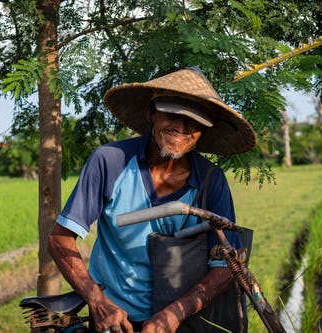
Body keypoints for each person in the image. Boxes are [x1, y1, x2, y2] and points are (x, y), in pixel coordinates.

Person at [48, 67, 256, 333]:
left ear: (202, 132)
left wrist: (176, 312)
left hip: (182, 320)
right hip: (114, 321)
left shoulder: (210, 181)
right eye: (172, 114)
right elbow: (59, 239)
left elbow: (227, 265)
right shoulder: (111, 162)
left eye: (193, 122)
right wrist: (98, 302)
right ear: (151, 114)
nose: (181, 127)